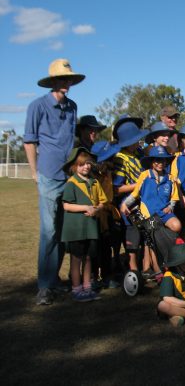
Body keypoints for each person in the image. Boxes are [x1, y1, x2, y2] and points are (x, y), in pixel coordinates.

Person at [24, 58, 84, 305]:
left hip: (68, 177)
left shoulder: (72, 107)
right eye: (62, 78)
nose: (66, 82)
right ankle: (44, 286)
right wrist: (34, 172)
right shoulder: (37, 106)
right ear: (52, 81)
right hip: (48, 176)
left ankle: (55, 281)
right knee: (48, 231)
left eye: (68, 78)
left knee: (62, 232)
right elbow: (29, 140)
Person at [120, 146, 181, 275]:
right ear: (152, 162)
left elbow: (174, 198)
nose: (160, 163)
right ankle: (157, 270)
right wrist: (125, 204)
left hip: (163, 212)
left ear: (166, 162)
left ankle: (172, 259)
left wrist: (170, 207)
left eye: (163, 161)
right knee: (153, 238)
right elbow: (135, 194)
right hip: (148, 215)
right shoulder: (145, 175)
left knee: (177, 226)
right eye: (157, 161)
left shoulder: (170, 178)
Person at [61, 147, 107, 302]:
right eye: (82, 164)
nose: (86, 166)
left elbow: (102, 201)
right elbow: (66, 205)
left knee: (88, 257)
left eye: (88, 163)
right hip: (76, 229)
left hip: (90, 227)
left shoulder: (94, 182)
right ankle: (76, 288)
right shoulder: (72, 183)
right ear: (74, 166)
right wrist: (86, 208)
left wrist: (97, 209)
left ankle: (87, 287)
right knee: (76, 258)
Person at [112, 118, 148, 272]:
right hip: (128, 206)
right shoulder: (120, 158)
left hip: (143, 204)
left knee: (144, 236)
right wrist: (139, 184)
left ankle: (144, 268)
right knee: (132, 240)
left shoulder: (139, 153)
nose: (138, 142)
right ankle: (132, 270)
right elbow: (117, 189)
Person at [90, 140, 122, 289]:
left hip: (108, 213)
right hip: (95, 215)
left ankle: (107, 275)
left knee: (107, 246)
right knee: (94, 248)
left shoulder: (109, 173)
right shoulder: (92, 177)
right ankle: (93, 277)